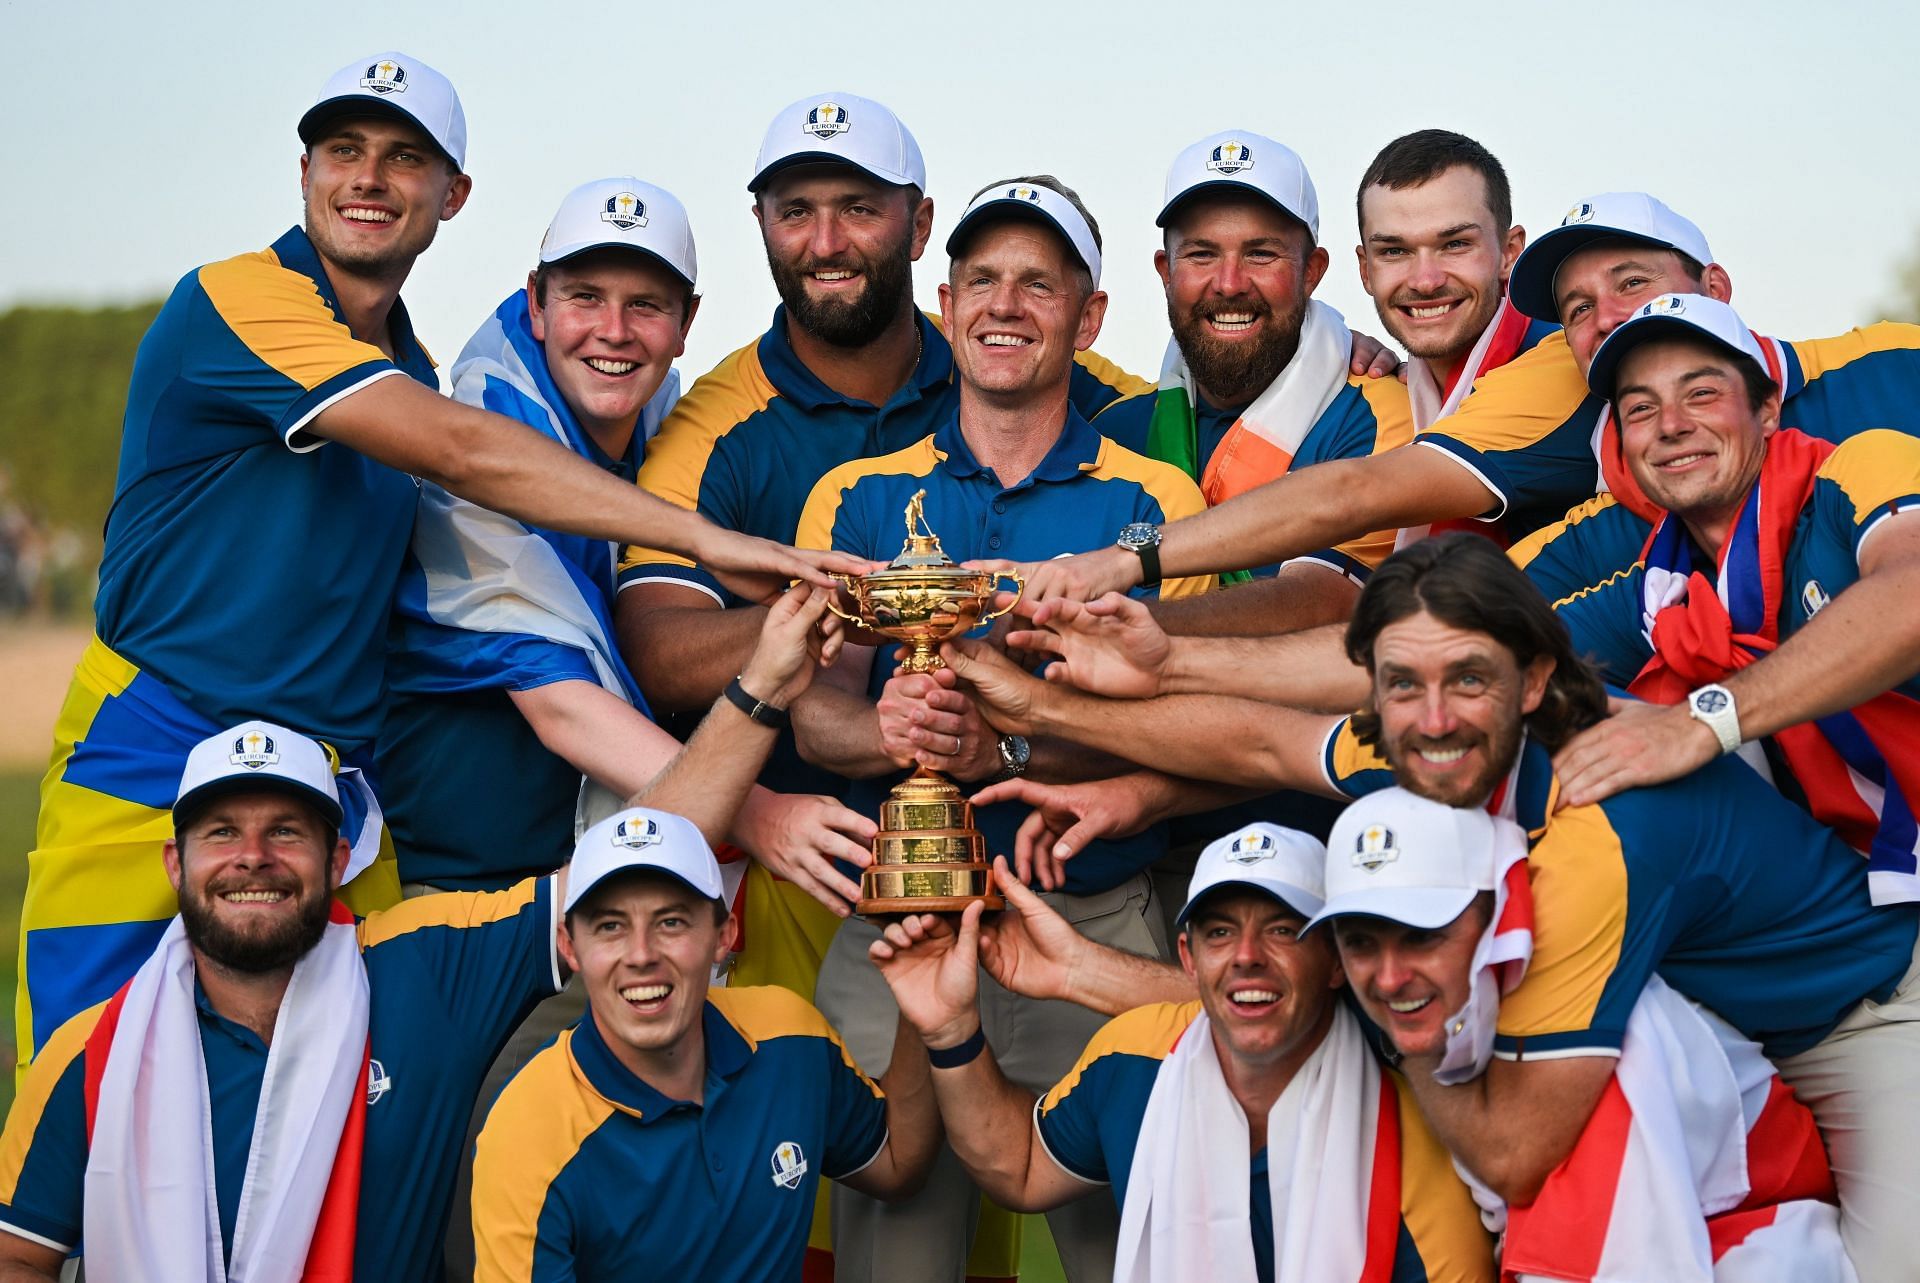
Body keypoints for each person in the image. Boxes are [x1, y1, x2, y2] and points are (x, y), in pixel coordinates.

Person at [17, 53, 849, 1073]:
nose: (369, 177)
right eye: (346, 150)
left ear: (452, 194)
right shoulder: (240, 301)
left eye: (405, 158)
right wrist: (710, 542)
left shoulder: (412, 370)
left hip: (331, 783)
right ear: (307, 170)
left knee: (326, 1130)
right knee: (78, 1099)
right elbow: (463, 453)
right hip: (162, 739)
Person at [951, 534, 1920, 1277]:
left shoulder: (1600, 828)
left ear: (1535, 680)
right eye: (1401, 685)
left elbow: (1515, 1150)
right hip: (1704, 999)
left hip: (1857, 1017)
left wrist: (1396, 1023)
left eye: (1467, 678)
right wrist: (1035, 713)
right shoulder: (1431, 743)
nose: (1434, 714)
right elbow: (1261, 744)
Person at [0, 582, 837, 1281]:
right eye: (221, 833)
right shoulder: (100, 1052)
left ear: (337, 856)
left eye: (285, 831)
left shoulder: (419, 967)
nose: (252, 857)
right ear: (175, 866)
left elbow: (634, 857)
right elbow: (19, 1256)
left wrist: (759, 687)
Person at [792, 175, 1208, 1283]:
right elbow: (809, 714)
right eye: (983, 278)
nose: (1007, 304)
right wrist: (884, 731)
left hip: (1097, 915)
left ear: (1090, 314)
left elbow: (1187, 722)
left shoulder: (1157, 500)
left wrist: (1009, 752)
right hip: (902, 922)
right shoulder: (861, 492)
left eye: (1039, 280)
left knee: (1134, 1238)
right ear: (945, 300)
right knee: (894, 1247)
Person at [868, 824, 1495, 1282]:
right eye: (1220, 931)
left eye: (1281, 929)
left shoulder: (1408, 1122)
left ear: (1335, 959)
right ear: (1189, 958)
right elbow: (1020, 1165)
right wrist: (951, 1031)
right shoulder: (1140, 1055)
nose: (1247, 954)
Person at [1312, 788, 1853, 1282]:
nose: (1388, 977)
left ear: (1495, 919)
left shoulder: (1598, 1046)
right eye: (1360, 943)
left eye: (1422, 936)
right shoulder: (1456, 1021)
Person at [1541, 296, 1920, 903]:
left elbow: (1912, 597)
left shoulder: (1864, 466)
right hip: (1857, 895)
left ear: (1767, 408)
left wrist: (1699, 722)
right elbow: (1458, 649)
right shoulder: (1660, 591)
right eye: (1641, 408)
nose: (1670, 425)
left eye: (1701, 394)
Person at [469, 810, 938, 1281]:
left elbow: (898, 1164)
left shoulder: (792, 1037)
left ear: (723, 935)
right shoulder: (527, 1129)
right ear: (570, 947)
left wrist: (924, 1011)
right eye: (610, 926)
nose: (641, 955)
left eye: (671, 922)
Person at [1088, 130, 1416, 633]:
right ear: (1165, 271)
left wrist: (1107, 628)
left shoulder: (1380, 416)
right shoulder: (1111, 430)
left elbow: (1327, 602)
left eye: (1262, 254)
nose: (1230, 283)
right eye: (1201, 254)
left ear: (1313, 272)